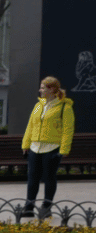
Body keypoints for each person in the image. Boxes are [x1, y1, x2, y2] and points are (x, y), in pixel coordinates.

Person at [20, 76, 76, 220]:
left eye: (43, 87)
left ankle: (46, 207)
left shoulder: (65, 107)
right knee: (32, 177)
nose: (40, 90)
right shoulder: (38, 105)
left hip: (52, 147)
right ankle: (29, 207)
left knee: (49, 177)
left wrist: (64, 150)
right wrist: (25, 144)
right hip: (35, 147)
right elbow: (30, 125)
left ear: (51, 89)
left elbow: (68, 130)